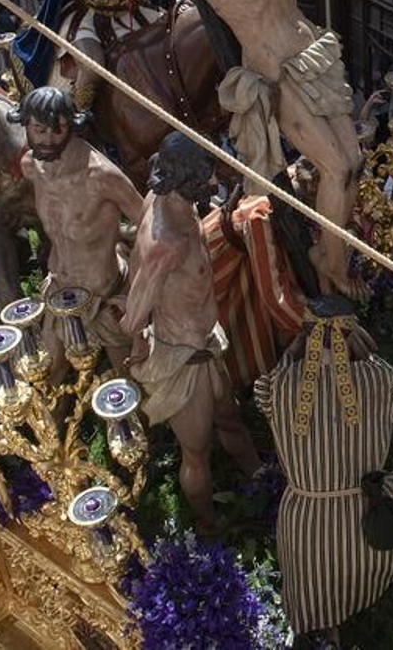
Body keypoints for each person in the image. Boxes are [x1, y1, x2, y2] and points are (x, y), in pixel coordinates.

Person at [23, 0, 366, 294]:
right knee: (337, 169)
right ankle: (331, 262)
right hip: (278, 76)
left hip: (314, 58)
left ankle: (330, 252)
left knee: (356, 162)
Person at [256, 296, 393, 642]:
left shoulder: (279, 385)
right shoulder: (378, 380)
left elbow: (263, 390)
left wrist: (295, 349)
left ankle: (325, 626)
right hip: (374, 534)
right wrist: (363, 354)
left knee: (316, 586)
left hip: (305, 543)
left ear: (304, 334)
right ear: (352, 333)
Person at [121, 134, 260, 536]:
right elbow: (134, 312)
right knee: (196, 453)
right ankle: (207, 527)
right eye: (205, 178)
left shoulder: (166, 199)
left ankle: (259, 480)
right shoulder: (167, 242)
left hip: (206, 344)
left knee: (230, 419)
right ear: (184, 179)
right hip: (181, 356)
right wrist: (139, 341)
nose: (213, 183)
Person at [10, 87, 141, 373]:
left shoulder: (102, 176)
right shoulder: (31, 166)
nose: (47, 139)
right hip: (60, 290)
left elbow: (148, 226)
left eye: (57, 130)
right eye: (39, 130)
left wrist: (137, 290)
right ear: (26, 126)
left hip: (105, 297)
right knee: (48, 376)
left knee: (128, 387)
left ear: (72, 126)